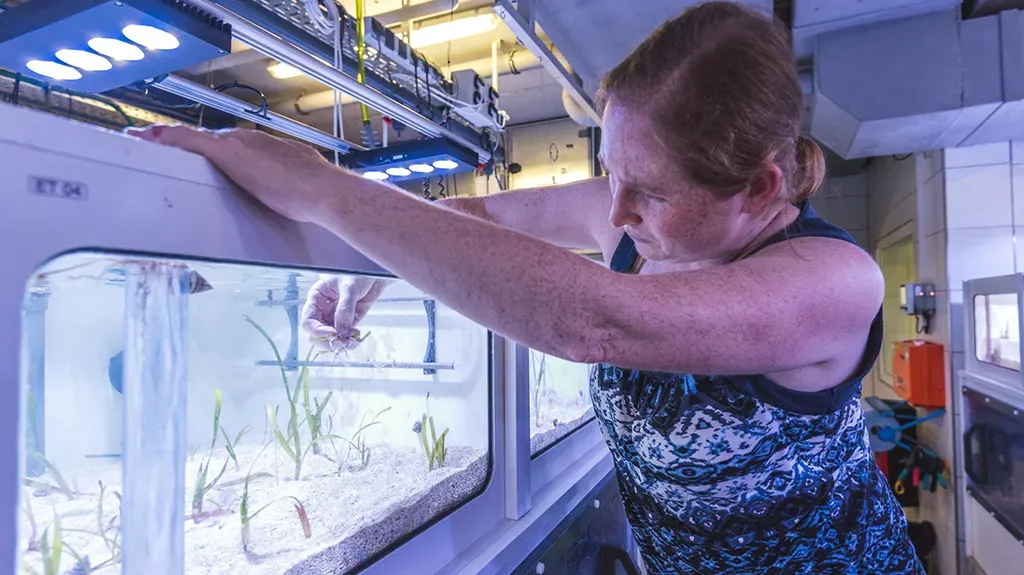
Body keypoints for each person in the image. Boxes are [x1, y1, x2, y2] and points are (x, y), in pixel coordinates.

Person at [131, 2, 924, 572]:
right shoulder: (627, 222)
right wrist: (367, 261)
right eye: (612, 171)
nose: (612, 211)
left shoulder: (830, 282)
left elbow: (600, 322)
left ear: (759, 187)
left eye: (647, 189)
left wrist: (323, 191)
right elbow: (477, 214)